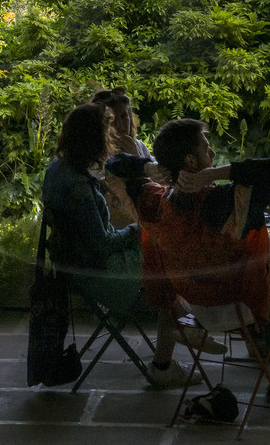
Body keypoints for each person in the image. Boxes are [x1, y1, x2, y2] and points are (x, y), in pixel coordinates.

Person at [107, 117, 270, 403]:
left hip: (193, 305)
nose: (213, 154)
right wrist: (216, 174)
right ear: (191, 160)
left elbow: (113, 165)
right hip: (239, 302)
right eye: (207, 149)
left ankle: (260, 348)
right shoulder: (228, 202)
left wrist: (148, 168)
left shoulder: (153, 201)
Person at [41, 102, 197, 387]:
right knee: (168, 274)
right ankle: (180, 342)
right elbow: (102, 245)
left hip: (71, 264)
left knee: (163, 259)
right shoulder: (77, 187)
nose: (110, 138)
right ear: (93, 139)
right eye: (105, 133)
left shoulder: (58, 169)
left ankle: (188, 327)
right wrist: (138, 230)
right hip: (98, 273)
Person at [89, 88, 150, 227]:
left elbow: (156, 186)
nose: (121, 126)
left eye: (124, 117)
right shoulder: (94, 155)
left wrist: (137, 157)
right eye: (114, 120)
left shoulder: (138, 146)